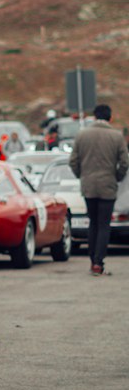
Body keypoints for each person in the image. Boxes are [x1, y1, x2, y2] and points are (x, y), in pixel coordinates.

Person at [68, 103, 129, 276]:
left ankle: (91, 259)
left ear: (94, 117)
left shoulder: (82, 135)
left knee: (92, 223)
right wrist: (116, 177)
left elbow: (73, 161)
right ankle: (98, 262)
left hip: (88, 185)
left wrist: (82, 175)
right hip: (108, 186)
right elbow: (125, 162)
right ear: (110, 118)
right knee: (104, 225)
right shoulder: (116, 136)